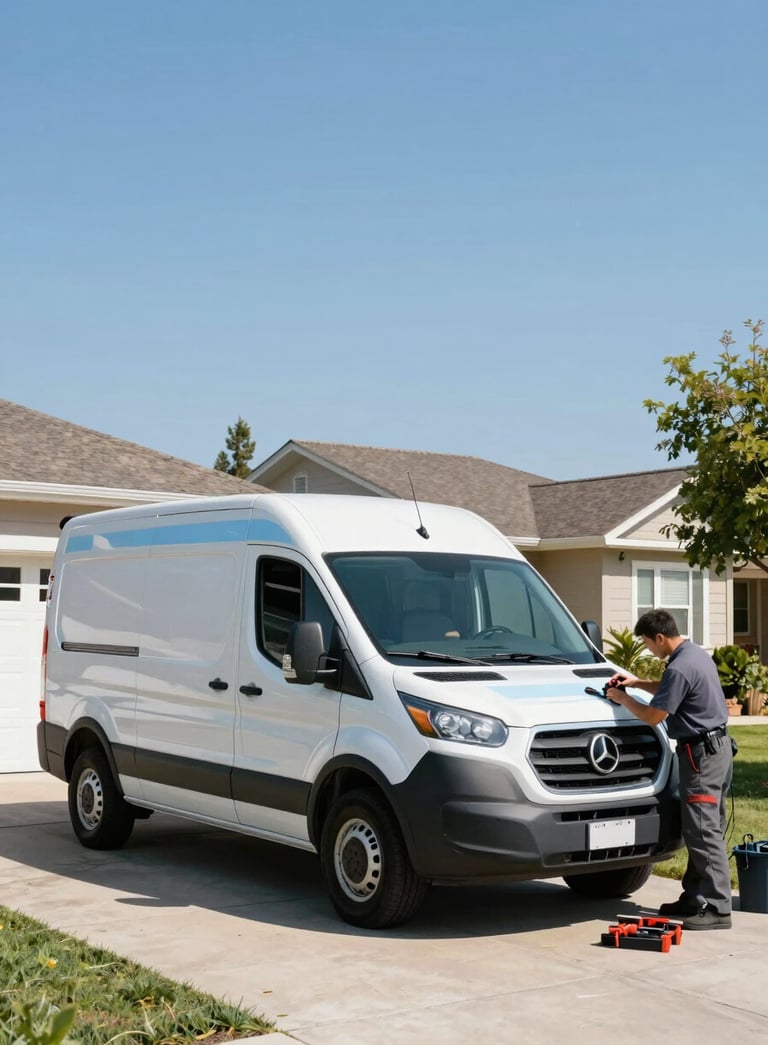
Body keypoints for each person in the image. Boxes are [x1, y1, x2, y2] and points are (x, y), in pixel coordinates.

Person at [606, 609, 733, 930]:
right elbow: (670, 687)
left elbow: (654, 716)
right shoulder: (694, 655)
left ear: (659, 637)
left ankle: (718, 909)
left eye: (648, 643)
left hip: (700, 756)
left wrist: (623, 698)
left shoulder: (679, 667)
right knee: (704, 829)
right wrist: (636, 683)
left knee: (703, 832)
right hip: (718, 750)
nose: (648, 648)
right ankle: (693, 898)